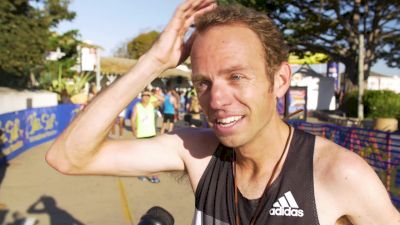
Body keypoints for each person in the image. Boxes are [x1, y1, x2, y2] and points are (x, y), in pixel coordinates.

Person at [46, 1, 400, 224]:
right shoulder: (197, 152)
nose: (216, 99)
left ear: (279, 80)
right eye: (203, 83)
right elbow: (68, 157)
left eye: (236, 76)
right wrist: (151, 63)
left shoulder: (339, 175)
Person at [131, 90, 161, 183]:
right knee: (142, 156)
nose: (146, 97)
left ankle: (154, 176)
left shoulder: (152, 105)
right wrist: (134, 130)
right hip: (141, 135)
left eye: (148, 96)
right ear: (141, 97)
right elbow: (132, 119)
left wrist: (153, 94)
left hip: (151, 134)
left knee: (153, 156)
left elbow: (162, 100)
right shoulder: (137, 106)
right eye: (144, 95)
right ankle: (141, 174)